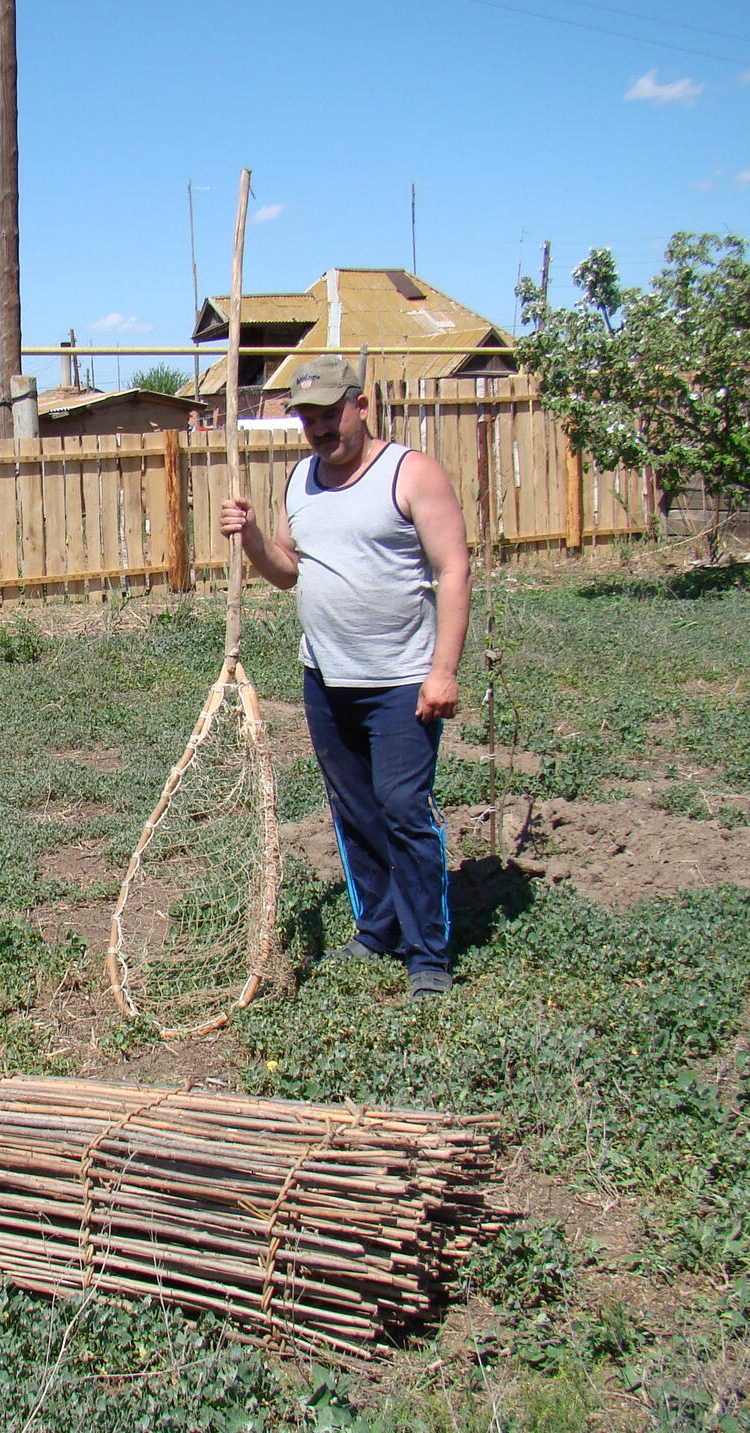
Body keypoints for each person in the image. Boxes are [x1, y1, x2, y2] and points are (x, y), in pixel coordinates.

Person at [220, 355, 471, 999]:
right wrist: (250, 537)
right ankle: (380, 927)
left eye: (330, 413)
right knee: (355, 811)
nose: (319, 428)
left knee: (403, 808)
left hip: (402, 679)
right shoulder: (300, 480)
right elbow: (287, 570)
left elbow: (453, 572)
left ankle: (428, 955)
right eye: (306, 416)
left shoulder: (410, 473)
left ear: (360, 406)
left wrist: (443, 672)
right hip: (326, 676)